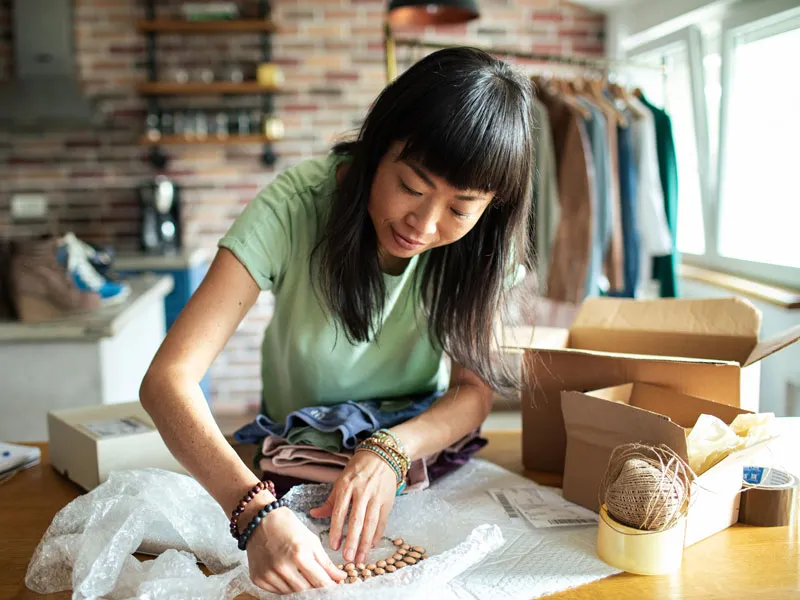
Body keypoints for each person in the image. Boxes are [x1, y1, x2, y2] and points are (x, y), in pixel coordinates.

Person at [140, 46, 535, 596]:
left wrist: (390, 449)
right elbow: (168, 380)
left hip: (415, 453)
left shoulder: (485, 246)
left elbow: (473, 393)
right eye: (411, 188)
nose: (423, 224)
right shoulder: (295, 206)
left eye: (460, 209)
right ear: (377, 149)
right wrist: (253, 513)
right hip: (290, 466)